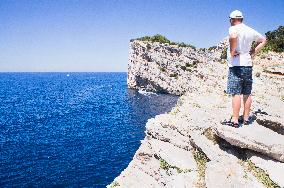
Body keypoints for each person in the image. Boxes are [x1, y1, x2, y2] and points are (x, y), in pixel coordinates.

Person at [225, 10, 267, 127]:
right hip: (248, 65)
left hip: (236, 65)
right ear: (242, 19)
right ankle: (246, 118)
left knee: (236, 93)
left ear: (232, 19)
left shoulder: (233, 28)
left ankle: (235, 120)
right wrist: (253, 52)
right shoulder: (250, 30)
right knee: (247, 93)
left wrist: (232, 52)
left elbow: (233, 36)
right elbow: (263, 40)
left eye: (230, 20)